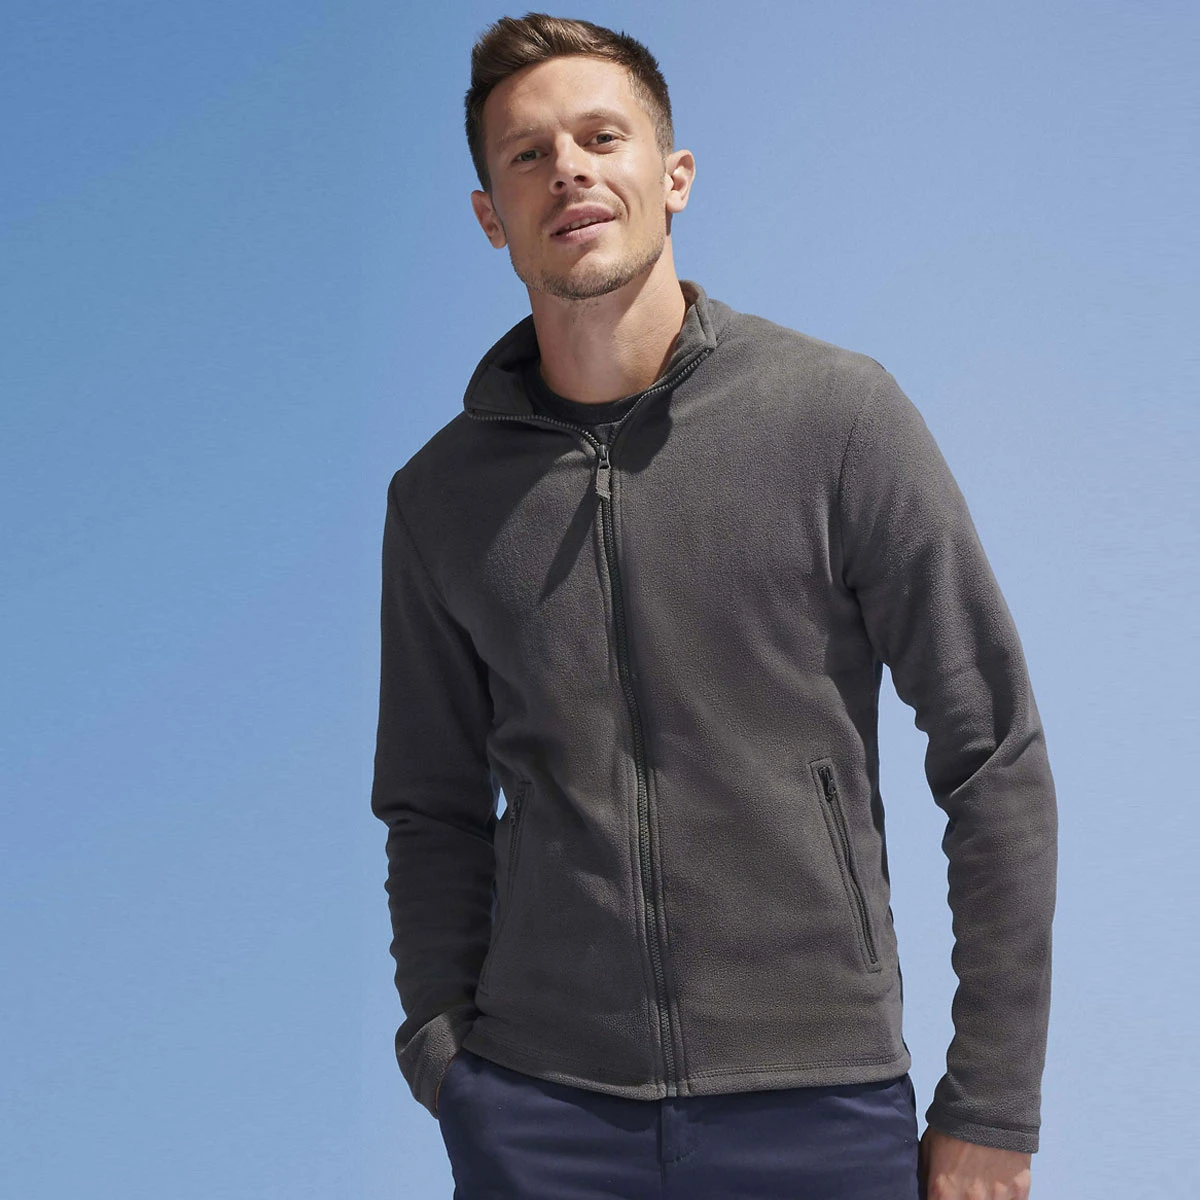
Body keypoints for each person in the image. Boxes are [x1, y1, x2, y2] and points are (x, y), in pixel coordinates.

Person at [369, 12, 1057, 1200]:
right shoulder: (439, 501)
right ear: (490, 215)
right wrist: (449, 1063)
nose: (569, 170)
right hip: (540, 1117)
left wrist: (994, 1103)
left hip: (819, 1106)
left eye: (602, 137)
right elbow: (430, 807)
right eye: (528, 155)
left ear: (673, 176)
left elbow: (993, 753)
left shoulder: (836, 418)